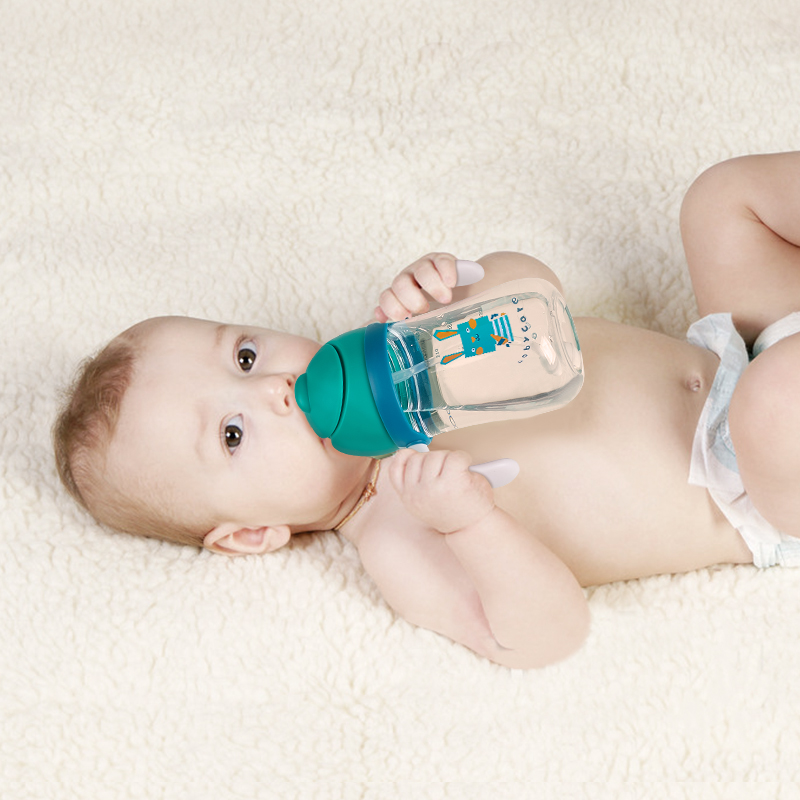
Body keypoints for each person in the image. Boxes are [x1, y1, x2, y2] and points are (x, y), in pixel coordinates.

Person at [53, 152, 800, 669]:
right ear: (253, 533)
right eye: (232, 433)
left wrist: (462, 283)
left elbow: (543, 297)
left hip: (737, 350)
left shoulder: (406, 345)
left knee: (720, 201)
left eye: (244, 357)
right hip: (760, 483)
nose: (272, 389)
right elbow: (544, 635)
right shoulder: (398, 534)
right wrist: (471, 523)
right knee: (770, 406)